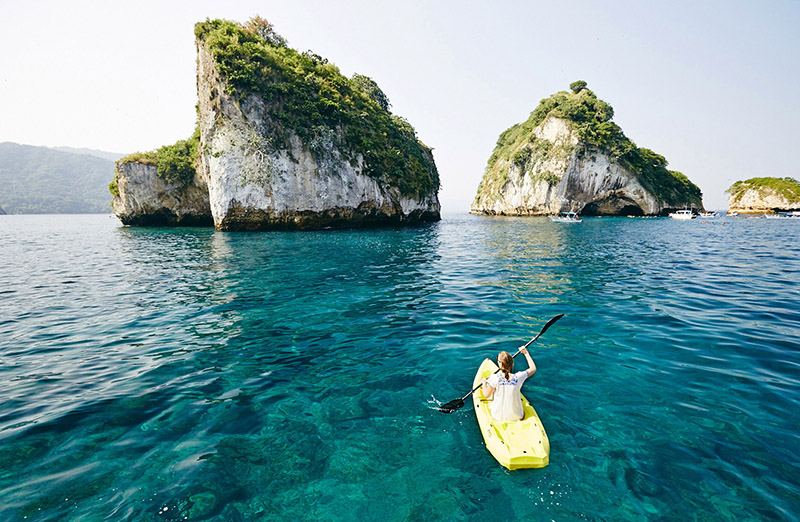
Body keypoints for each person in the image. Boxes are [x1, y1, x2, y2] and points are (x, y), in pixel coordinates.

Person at [480, 346, 536, 422]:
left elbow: (486, 395)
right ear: (511, 363)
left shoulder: (494, 378)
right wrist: (526, 353)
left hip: (497, 416)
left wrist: (484, 382)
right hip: (517, 416)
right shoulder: (519, 376)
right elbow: (533, 368)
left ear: (500, 363)